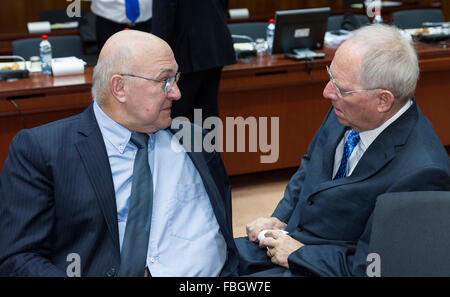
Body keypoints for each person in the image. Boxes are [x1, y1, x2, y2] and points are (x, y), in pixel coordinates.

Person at [0, 30, 239, 277]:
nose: (177, 93)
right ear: (120, 87)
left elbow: (221, 227)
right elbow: (19, 257)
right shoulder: (42, 151)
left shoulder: (195, 140)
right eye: (164, 81)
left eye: (175, 78)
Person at [235, 24, 450, 277]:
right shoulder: (348, 107)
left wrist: (298, 254)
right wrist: (280, 218)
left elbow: (373, 267)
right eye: (331, 76)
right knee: (205, 255)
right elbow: (311, 165)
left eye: (341, 88)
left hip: (325, 266)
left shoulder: (423, 174)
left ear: (383, 100)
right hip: (288, 239)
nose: (327, 92)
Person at [151, 0, 236, 123]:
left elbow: (163, 19)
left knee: (172, 114)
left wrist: (155, 53)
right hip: (215, 44)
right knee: (206, 111)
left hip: (186, 50)